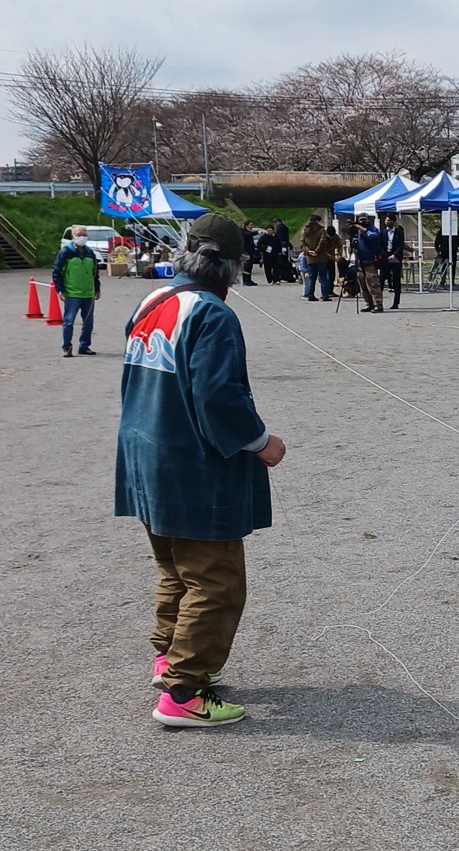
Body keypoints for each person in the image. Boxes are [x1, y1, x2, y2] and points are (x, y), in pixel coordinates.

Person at [117, 213, 284, 728]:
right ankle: (184, 691)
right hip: (190, 465)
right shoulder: (212, 313)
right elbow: (218, 397)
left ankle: (169, 657)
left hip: (144, 455)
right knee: (216, 581)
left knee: (175, 569)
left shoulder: (152, 300)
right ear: (233, 265)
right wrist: (262, 443)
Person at [51, 225, 100, 357]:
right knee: (69, 321)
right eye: (79, 235)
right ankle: (67, 347)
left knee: (88, 322)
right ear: (73, 236)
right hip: (72, 293)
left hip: (88, 293)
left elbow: (95, 273)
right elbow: (56, 272)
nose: (82, 237)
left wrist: (97, 288)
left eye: (84, 235)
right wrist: (60, 289)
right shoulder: (66, 252)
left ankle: (84, 345)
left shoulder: (90, 252)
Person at [299, 213, 337, 302]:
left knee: (312, 277)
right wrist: (317, 251)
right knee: (323, 277)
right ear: (318, 221)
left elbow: (302, 244)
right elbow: (322, 241)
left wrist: (309, 251)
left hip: (310, 258)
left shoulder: (305, 231)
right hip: (321, 257)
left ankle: (310, 295)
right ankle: (325, 295)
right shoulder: (321, 230)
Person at [352, 214, 385, 312]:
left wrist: (364, 230)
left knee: (373, 283)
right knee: (363, 284)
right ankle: (369, 303)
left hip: (370, 260)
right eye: (360, 220)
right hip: (360, 260)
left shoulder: (372, 229)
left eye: (364, 220)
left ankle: (378, 303)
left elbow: (374, 237)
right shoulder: (358, 232)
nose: (363, 222)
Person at [377, 211, 406, 309]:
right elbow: (380, 245)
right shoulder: (382, 232)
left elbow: (401, 245)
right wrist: (384, 255)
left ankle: (396, 302)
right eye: (386, 220)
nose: (387, 222)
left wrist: (395, 255)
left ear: (393, 221)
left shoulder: (399, 232)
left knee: (396, 280)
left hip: (396, 259)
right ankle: (378, 301)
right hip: (385, 258)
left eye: (389, 220)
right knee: (381, 279)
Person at [238, 222, 261, 287]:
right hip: (245, 251)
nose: (252, 226)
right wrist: (257, 232)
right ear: (246, 225)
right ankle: (245, 281)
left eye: (252, 225)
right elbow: (247, 235)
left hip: (250, 251)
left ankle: (249, 280)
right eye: (250, 225)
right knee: (246, 266)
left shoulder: (249, 232)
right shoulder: (243, 231)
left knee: (250, 266)